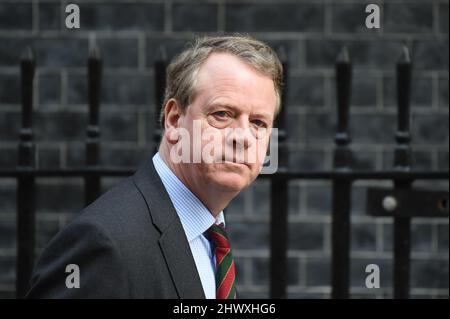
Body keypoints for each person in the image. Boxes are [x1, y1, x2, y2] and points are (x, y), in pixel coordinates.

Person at [26, 35, 283, 299]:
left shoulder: (212, 237)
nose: (242, 137)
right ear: (174, 120)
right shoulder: (103, 243)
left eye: (258, 123)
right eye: (222, 114)